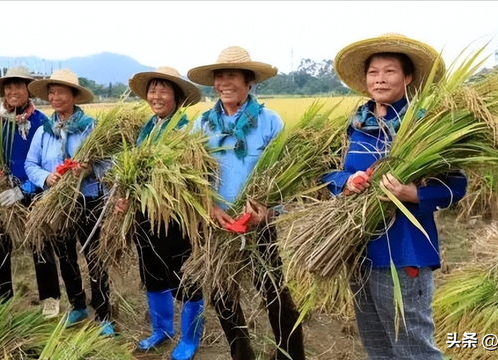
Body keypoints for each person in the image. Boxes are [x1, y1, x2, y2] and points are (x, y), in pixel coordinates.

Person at [322, 33, 468, 360]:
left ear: (408, 77)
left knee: (413, 348)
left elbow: (456, 185)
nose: (380, 79)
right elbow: (327, 171)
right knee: (377, 346)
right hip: (357, 250)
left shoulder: (425, 126)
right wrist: (347, 182)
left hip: (404, 252)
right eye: (373, 72)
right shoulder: (355, 125)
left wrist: (411, 193)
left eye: (389, 71)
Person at [187, 46, 306, 360]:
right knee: (222, 295)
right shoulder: (202, 125)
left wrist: (268, 210)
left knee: (274, 293)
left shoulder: (269, 122)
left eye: (232, 76)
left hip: (259, 224)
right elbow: (192, 175)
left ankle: (290, 355)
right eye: (219, 76)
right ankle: (242, 354)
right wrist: (209, 206)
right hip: (218, 223)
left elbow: (284, 174)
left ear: (249, 81)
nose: (224, 82)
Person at [117, 66, 204, 360]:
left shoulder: (185, 131)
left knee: (186, 278)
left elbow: (193, 177)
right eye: (152, 90)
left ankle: (190, 339)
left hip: (177, 220)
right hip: (146, 218)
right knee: (153, 274)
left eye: (163, 90)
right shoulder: (146, 130)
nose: (156, 95)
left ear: (177, 96)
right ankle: (162, 330)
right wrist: (126, 197)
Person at [25, 68, 113, 336]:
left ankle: (104, 314)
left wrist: (88, 170)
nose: (55, 97)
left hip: (88, 200)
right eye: (51, 92)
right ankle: (77, 305)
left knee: (95, 257)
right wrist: (46, 177)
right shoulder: (43, 132)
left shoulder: (91, 128)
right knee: (65, 256)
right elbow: (31, 164)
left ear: (74, 95)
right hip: (56, 204)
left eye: (61, 91)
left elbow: (109, 163)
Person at [0, 66, 61, 317]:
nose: (13, 91)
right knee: (0, 248)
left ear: (28, 90)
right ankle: (3, 303)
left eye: (18, 86)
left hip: (31, 193)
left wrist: (24, 189)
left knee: (40, 244)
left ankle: (50, 300)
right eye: (9, 86)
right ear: (3, 90)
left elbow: (46, 165)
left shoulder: (40, 122)